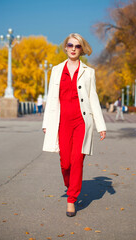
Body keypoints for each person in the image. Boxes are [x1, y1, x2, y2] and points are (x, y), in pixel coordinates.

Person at [42, 33, 106, 217]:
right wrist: (47, 123)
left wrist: (101, 125)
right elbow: (51, 98)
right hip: (62, 123)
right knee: (65, 163)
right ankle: (71, 185)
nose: (73, 48)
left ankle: (71, 199)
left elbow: (93, 99)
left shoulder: (89, 72)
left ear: (81, 49)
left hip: (81, 123)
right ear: (65, 47)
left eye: (77, 46)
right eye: (70, 45)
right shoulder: (56, 70)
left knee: (77, 160)